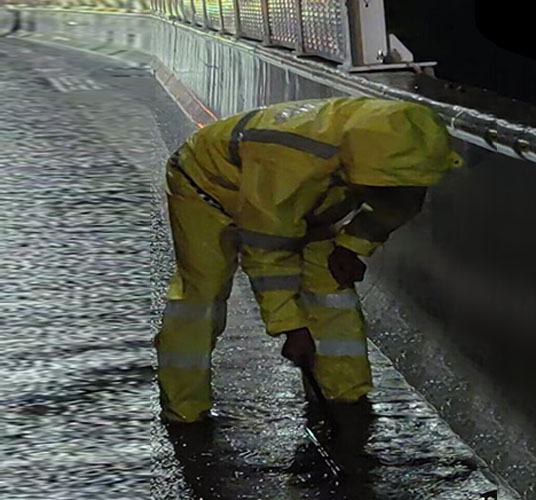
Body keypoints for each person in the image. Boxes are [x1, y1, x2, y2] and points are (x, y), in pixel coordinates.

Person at [156, 97, 463, 423]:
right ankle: (185, 409)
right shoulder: (289, 162)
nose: (398, 190)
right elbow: (267, 252)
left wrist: (351, 246)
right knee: (202, 294)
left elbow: (400, 203)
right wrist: (290, 326)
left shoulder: (393, 148)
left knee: (330, 283)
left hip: (303, 196)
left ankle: (343, 393)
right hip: (207, 186)